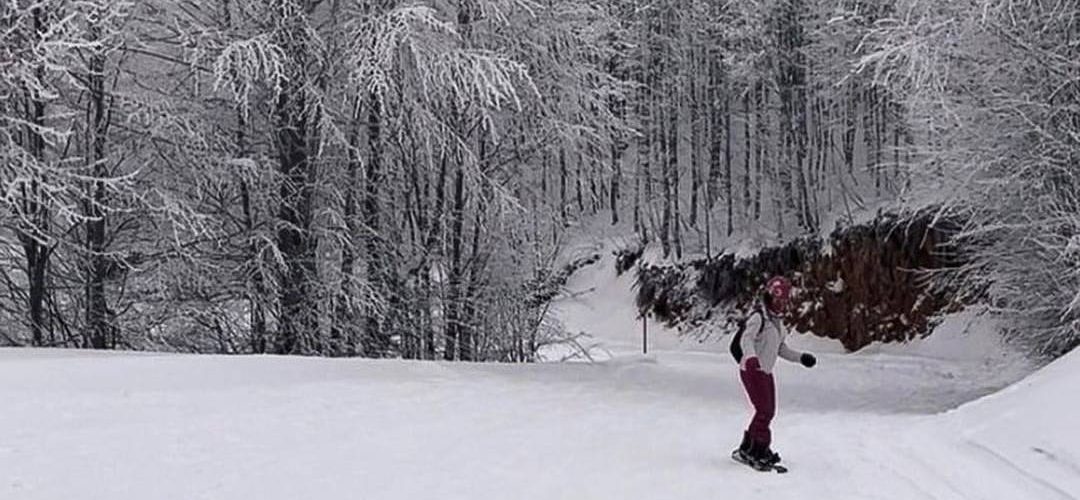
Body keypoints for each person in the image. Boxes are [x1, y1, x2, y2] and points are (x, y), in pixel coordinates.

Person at [733, 276, 817, 469]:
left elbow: (780, 349)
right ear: (770, 296)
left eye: (785, 301)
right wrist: (751, 358)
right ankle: (757, 449)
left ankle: (750, 447)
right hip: (752, 370)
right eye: (778, 300)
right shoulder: (758, 317)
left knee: (768, 411)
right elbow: (746, 339)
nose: (781, 304)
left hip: (766, 371)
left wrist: (801, 357)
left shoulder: (778, 322)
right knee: (765, 411)